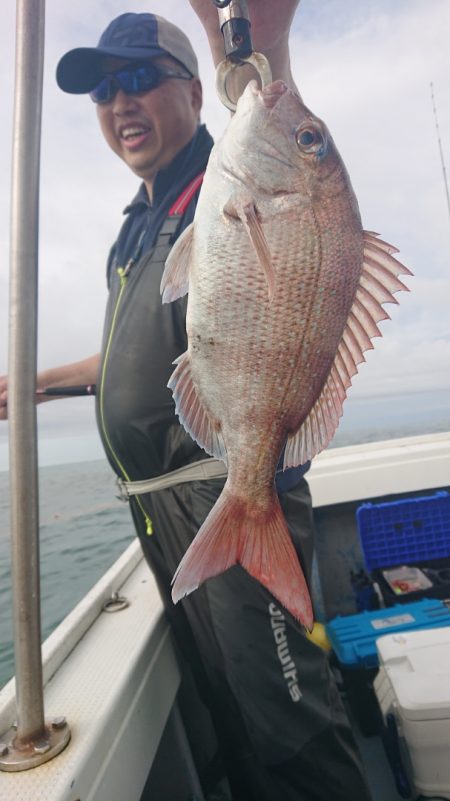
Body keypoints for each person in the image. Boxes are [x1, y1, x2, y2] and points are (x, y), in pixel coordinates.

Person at [1, 6, 373, 800]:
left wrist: (257, 39)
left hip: (228, 482)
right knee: (228, 720)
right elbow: (140, 359)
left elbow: (279, 117)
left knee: (292, 728)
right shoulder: (139, 225)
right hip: (167, 520)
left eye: (140, 80)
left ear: (196, 94)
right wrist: (34, 383)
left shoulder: (224, 181)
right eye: (104, 92)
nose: (120, 104)